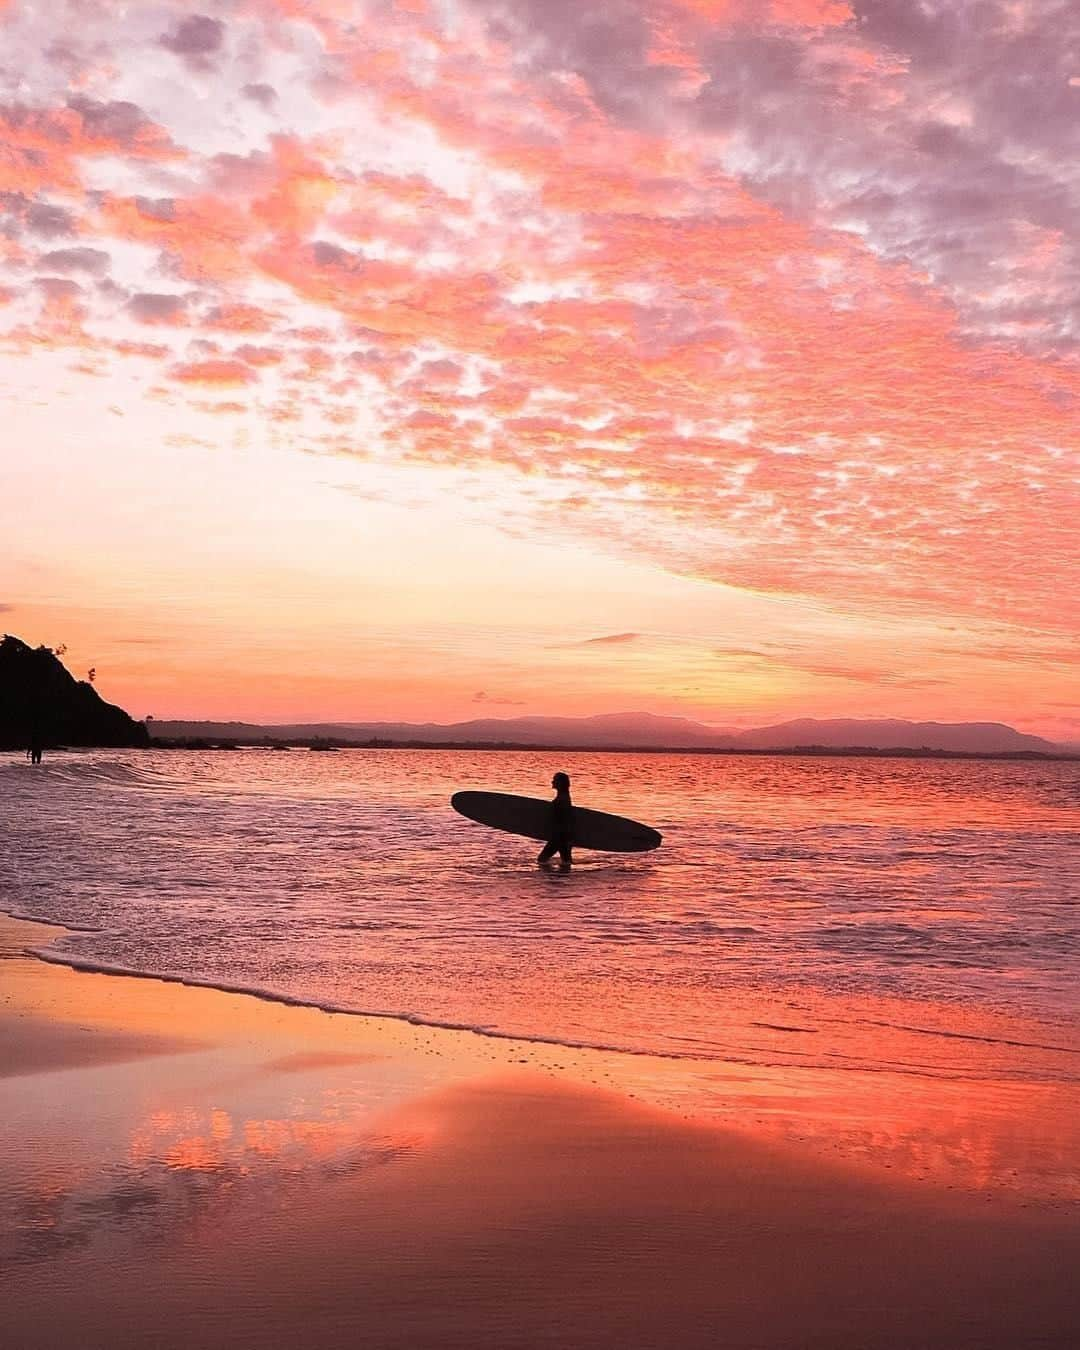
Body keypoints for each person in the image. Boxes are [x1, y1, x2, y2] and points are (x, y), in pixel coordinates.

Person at [537, 771, 573, 869]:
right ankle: (562, 881)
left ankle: (553, 881)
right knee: (566, 862)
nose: (552, 782)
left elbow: (565, 818)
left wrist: (565, 837)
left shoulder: (563, 799)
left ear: (560, 783)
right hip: (562, 836)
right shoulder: (563, 796)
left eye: (555, 780)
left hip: (559, 836)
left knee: (542, 860)